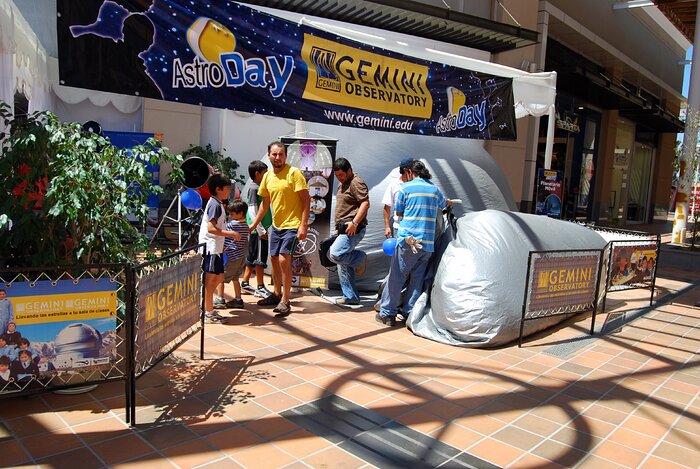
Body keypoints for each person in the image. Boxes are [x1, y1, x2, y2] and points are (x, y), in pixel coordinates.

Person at [377, 160, 449, 326]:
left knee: (396, 276)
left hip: (408, 241)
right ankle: (409, 312)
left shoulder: (405, 188)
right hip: (427, 243)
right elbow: (443, 204)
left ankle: (388, 313)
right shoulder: (435, 189)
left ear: (410, 172)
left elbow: (399, 212)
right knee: (417, 278)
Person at [249, 141, 310, 317]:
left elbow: (306, 200)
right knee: (274, 260)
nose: (277, 157)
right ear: (269, 156)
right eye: (274, 154)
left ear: (285, 155)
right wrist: (253, 224)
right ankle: (276, 294)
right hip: (276, 226)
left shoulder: (294, 173)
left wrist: (303, 225)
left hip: (292, 225)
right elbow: (265, 204)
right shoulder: (267, 177)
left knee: (284, 260)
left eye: (281, 154)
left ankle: (285, 300)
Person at [198, 174, 241, 324]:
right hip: (210, 248)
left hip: (216, 248)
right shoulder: (215, 205)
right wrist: (231, 234)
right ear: (218, 189)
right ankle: (207, 312)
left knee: (218, 277)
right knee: (211, 281)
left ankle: (208, 308)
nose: (229, 191)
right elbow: (211, 228)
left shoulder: (217, 203)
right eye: (227, 188)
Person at [328, 158, 370, 305]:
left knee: (336, 254)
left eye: (342, 175)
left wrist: (354, 222)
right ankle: (350, 296)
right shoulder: (344, 182)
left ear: (350, 171)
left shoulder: (356, 182)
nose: (339, 178)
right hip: (343, 229)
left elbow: (365, 203)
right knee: (343, 263)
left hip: (353, 228)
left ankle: (360, 258)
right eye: (337, 175)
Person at [240, 160, 274, 299]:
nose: (267, 176)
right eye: (265, 173)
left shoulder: (258, 187)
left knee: (253, 256)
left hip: (259, 229)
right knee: (260, 259)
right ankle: (260, 286)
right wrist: (260, 229)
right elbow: (253, 209)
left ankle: (245, 282)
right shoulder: (255, 188)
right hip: (259, 231)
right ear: (257, 173)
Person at [217, 200, 250, 309]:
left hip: (232, 257)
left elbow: (221, 231)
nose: (230, 216)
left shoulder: (232, 225)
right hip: (241, 257)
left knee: (220, 278)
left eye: (232, 214)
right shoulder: (246, 225)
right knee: (235, 279)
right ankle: (238, 299)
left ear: (240, 213)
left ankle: (220, 299)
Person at [382, 157, 413, 238]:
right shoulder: (394, 185)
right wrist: (387, 227)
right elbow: (387, 207)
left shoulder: (416, 184)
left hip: (414, 227)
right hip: (399, 228)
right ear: (406, 170)